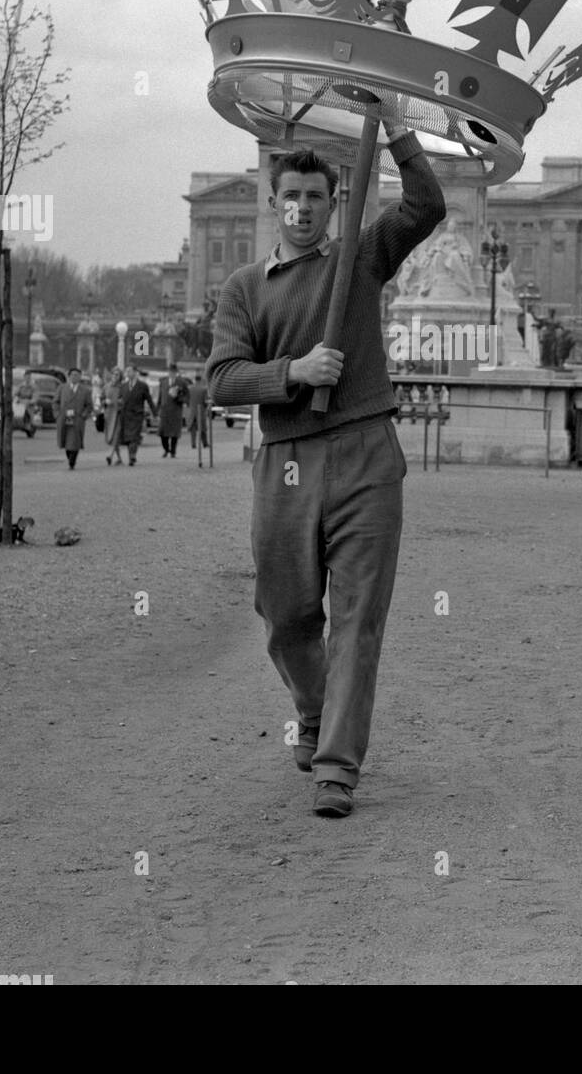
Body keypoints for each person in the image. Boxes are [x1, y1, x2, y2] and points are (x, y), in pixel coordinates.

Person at [206, 102, 446, 819]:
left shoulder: (362, 257)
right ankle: (311, 710)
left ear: (335, 204)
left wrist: (398, 128)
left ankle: (337, 765)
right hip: (285, 461)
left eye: (316, 197)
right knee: (284, 615)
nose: (303, 209)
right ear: (273, 205)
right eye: (292, 198)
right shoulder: (245, 288)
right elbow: (221, 380)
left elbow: (428, 204)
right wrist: (294, 372)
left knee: (358, 617)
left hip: (368, 454)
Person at [54, 367, 93, 470]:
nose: (74, 377)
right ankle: (69, 457)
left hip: (77, 419)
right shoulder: (62, 388)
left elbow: (89, 406)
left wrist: (84, 415)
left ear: (80, 377)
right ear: (69, 376)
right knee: (66, 441)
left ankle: (72, 461)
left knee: (75, 441)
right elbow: (55, 402)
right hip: (64, 418)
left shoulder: (85, 390)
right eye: (72, 375)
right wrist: (57, 414)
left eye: (77, 375)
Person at [115, 364, 153, 466]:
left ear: (135, 373)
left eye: (130, 371)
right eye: (127, 371)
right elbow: (119, 399)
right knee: (128, 437)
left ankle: (132, 455)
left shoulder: (142, 386)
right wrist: (118, 403)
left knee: (134, 437)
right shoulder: (123, 386)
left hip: (137, 415)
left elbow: (149, 399)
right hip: (125, 415)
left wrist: (155, 413)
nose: (128, 373)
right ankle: (131, 454)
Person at [157, 362, 189, 458]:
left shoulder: (182, 382)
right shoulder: (163, 382)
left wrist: (179, 398)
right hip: (165, 411)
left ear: (176, 372)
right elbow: (160, 397)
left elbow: (187, 396)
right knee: (163, 433)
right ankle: (166, 449)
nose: (171, 373)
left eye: (173, 371)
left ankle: (173, 451)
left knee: (174, 434)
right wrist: (157, 409)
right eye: (170, 371)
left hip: (176, 411)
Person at [186, 372, 209, 456]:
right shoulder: (203, 389)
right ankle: (205, 443)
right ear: (200, 380)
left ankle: (193, 444)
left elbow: (187, 399)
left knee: (193, 429)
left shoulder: (190, 388)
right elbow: (205, 401)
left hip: (192, 411)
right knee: (202, 429)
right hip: (201, 411)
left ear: (194, 380)